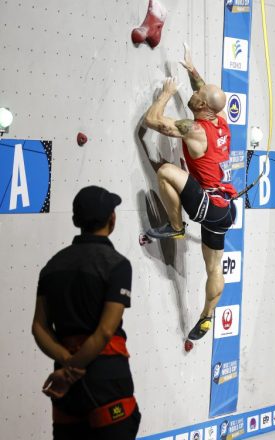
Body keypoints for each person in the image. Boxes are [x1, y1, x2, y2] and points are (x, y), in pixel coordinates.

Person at [143, 44, 237, 340]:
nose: (192, 95)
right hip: (226, 209)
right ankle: (207, 317)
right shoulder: (221, 123)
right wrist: (193, 70)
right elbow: (206, 93)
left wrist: (166, 94)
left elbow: (152, 121)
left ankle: (175, 226)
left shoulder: (195, 130)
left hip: (208, 203)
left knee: (165, 172)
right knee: (214, 267)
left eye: (196, 96)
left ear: (203, 108)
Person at [32, 186, 140, 439]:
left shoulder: (52, 266)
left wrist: (66, 365)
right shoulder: (117, 265)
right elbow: (104, 331)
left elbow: (39, 327)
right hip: (105, 378)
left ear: (75, 221)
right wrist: (73, 369)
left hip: (65, 386)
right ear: (112, 219)